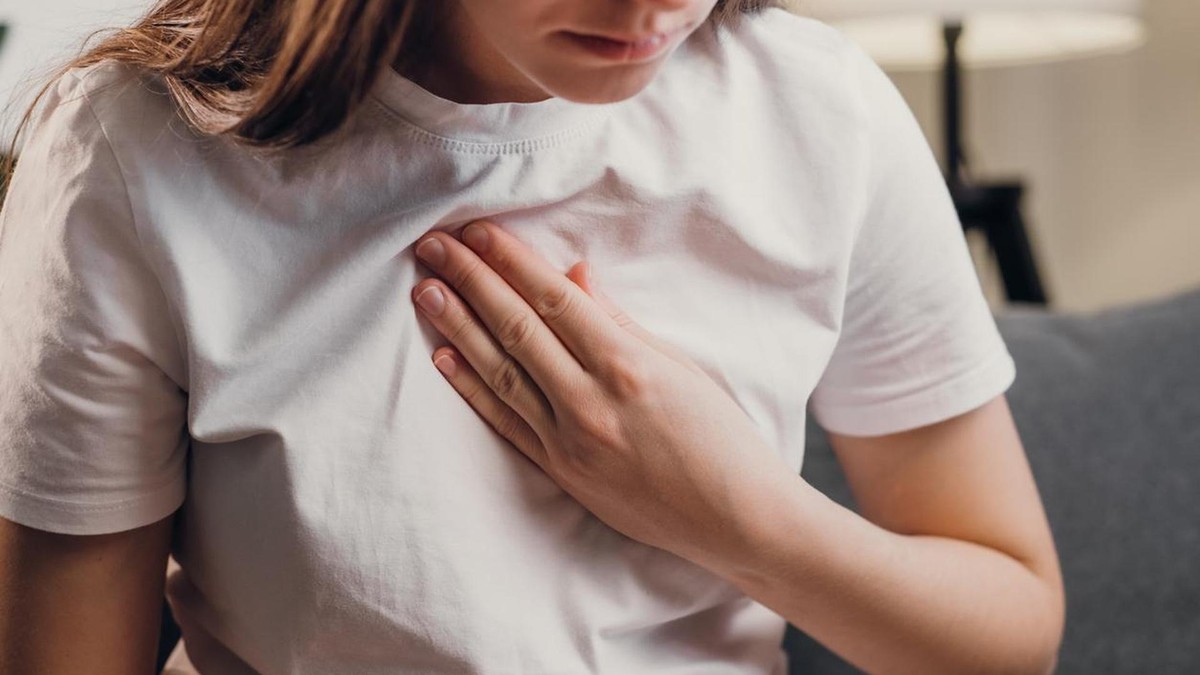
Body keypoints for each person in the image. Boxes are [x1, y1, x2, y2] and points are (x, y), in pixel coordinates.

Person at [0, 0, 1066, 673]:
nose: (656, 7)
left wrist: (733, 517)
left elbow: (1009, 631)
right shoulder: (131, 154)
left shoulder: (822, 117)